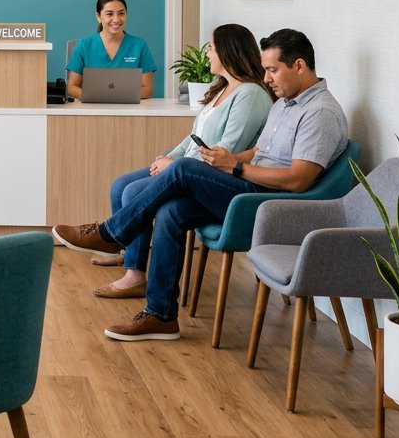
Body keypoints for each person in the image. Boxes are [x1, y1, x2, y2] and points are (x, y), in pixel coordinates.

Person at [52, 28, 347, 342]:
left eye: (273, 70)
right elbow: (262, 152)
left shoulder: (319, 113)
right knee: (171, 211)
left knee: (182, 169)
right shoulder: (285, 104)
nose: (267, 77)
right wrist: (232, 157)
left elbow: (298, 180)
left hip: (267, 203)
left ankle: (111, 233)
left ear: (299, 66)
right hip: (249, 185)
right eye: (265, 69)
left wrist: (235, 166)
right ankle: (161, 315)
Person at [89, 24, 276, 300]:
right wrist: (171, 157)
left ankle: (132, 270)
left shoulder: (250, 95)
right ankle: (127, 254)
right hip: (187, 165)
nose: (208, 53)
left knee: (132, 191)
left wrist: (176, 166)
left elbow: (225, 153)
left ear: (227, 51)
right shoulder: (221, 87)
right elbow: (194, 137)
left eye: (211, 47)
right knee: (121, 185)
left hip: (210, 176)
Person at [66, 0, 158, 100]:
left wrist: (115, 96)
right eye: (109, 14)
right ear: (98, 16)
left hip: (129, 111)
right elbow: (71, 87)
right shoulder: (84, 45)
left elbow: (148, 89)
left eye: (121, 13)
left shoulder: (139, 45)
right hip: (93, 109)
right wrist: (95, 97)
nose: (116, 19)